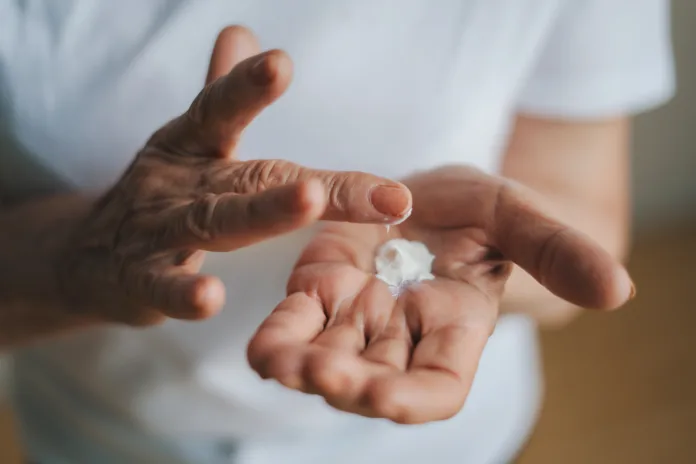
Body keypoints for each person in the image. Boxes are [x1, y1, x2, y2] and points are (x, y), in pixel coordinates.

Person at [0, 1, 674, 463]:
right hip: (101, 438)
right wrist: (67, 258)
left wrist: (489, 248)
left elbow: (584, 215)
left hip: (442, 445)